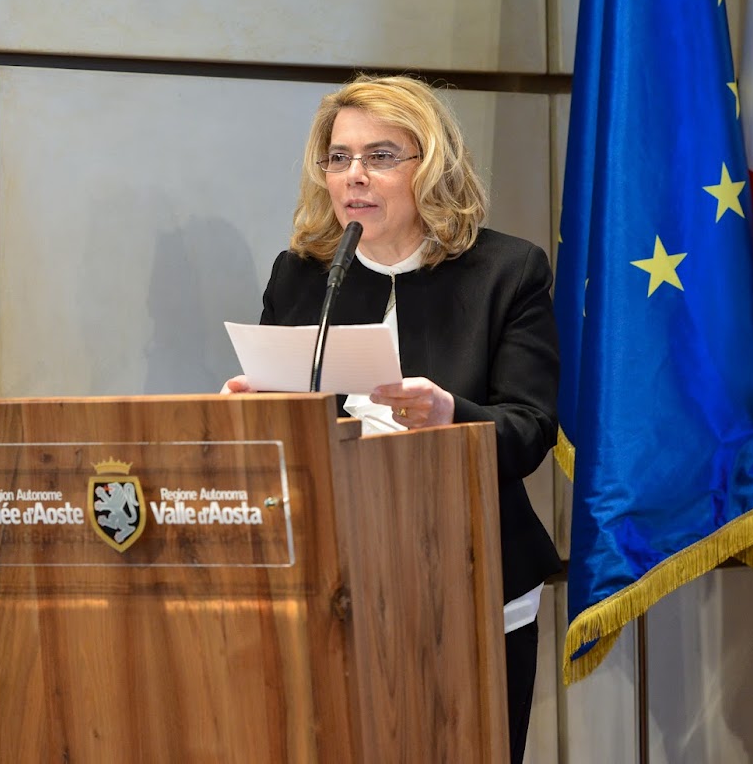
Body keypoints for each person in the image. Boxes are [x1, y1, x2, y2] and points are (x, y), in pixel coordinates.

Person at [224, 74, 561, 761]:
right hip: (332, 580)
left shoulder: (506, 272)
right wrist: (251, 418)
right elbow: (287, 431)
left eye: (380, 156)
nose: (354, 175)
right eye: (339, 157)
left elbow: (530, 428)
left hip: (470, 576)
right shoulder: (301, 275)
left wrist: (448, 414)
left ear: (430, 165)